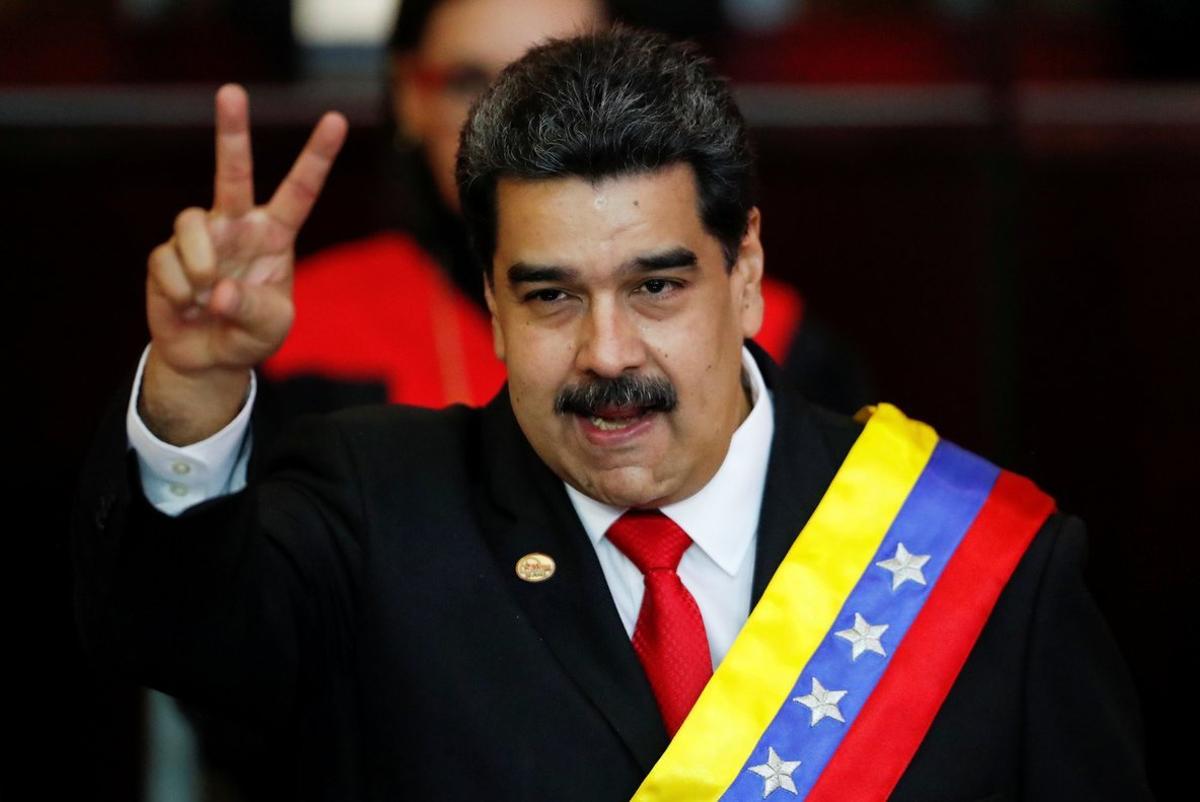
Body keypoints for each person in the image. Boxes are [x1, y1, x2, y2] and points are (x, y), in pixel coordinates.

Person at [75, 28, 1151, 801]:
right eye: (550, 296)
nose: (606, 354)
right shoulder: (376, 510)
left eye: (656, 287)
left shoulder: (980, 565)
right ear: (492, 303)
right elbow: (178, 630)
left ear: (746, 271)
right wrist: (196, 386)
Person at [263, 0, 869, 418]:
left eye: (556, 78)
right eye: (469, 80)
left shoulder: (767, 337)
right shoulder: (297, 328)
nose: (510, 121)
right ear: (406, 94)